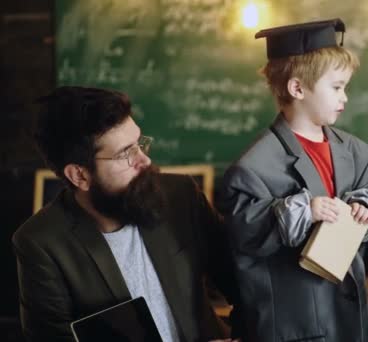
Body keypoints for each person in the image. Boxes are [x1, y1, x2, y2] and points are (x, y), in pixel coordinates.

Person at [217, 18, 368, 341]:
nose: (345, 98)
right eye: (337, 87)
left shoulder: (357, 153)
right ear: (297, 88)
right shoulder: (252, 168)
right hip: (296, 327)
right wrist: (303, 211)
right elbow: (244, 234)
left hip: (352, 319)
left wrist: (367, 207)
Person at [12, 86, 241, 342]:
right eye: (125, 154)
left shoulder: (180, 196)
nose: (144, 161)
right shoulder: (41, 242)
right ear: (80, 175)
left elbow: (243, 283)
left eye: (139, 144)